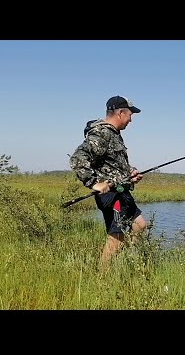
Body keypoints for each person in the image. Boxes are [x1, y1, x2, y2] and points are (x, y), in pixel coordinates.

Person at [69, 95, 148, 269]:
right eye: (130, 115)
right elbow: (78, 158)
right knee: (117, 236)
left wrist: (130, 174)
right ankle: (102, 276)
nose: (131, 120)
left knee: (140, 225)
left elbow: (113, 164)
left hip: (121, 191)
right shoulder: (102, 133)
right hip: (112, 196)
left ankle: (126, 259)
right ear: (120, 112)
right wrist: (93, 183)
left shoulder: (115, 135)